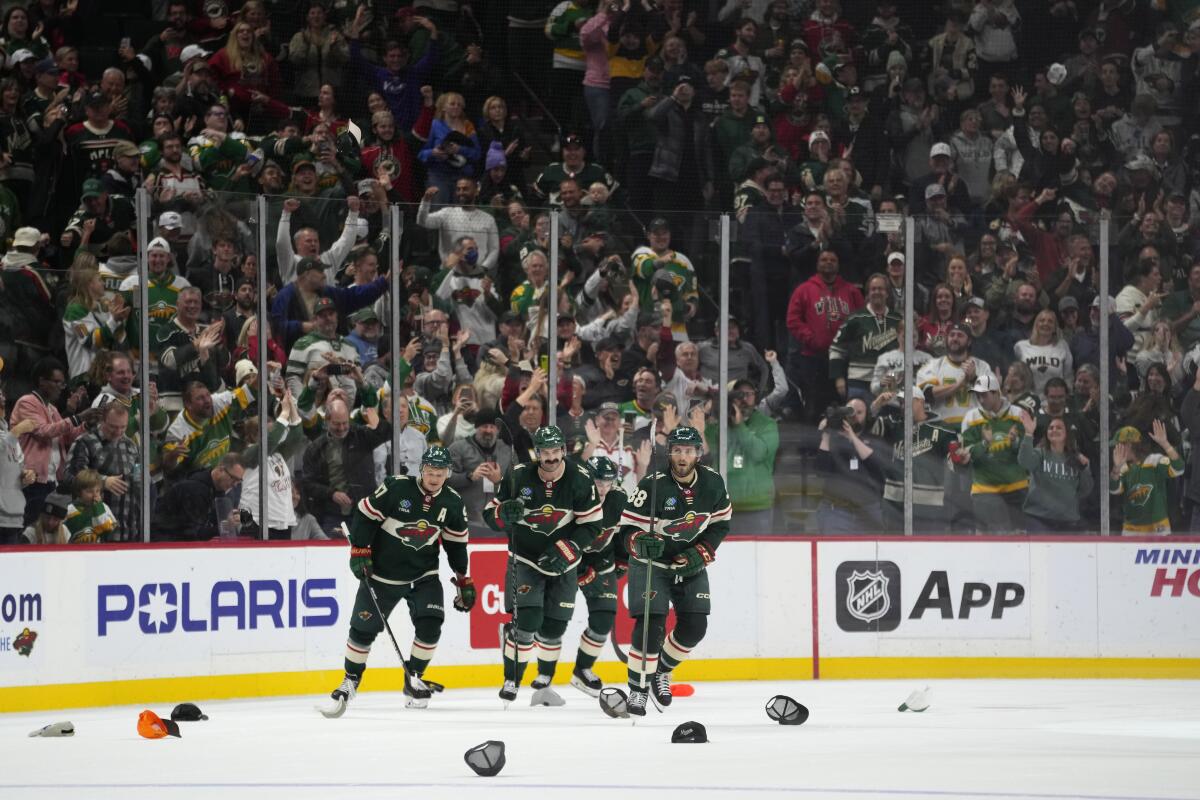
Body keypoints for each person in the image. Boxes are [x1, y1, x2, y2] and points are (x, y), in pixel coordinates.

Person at [326, 446, 472, 715]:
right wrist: (360, 549)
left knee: (431, 626)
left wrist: (463, 578)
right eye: (430, 471)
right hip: (383, 573)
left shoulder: (452, 502)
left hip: (423, 574)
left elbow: (456, 545)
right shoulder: (397, 488)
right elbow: (365, 515)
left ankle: (413, 677)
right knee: (362, 630)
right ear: (422, 470)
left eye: (440, 473)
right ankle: (350, 681)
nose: (434, 477)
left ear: (447, 473)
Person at [484, 426, 602, 705]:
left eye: (554, 452)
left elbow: (592, 524)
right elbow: (490, 516)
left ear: (562, 450)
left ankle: (538, 672)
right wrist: (503, 514)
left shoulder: (580, 479)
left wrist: (570, 546)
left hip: (563, 562)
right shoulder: (517, 476)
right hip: (525, 558)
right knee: (527, 622)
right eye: (544, 453)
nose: (550, 458)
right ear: (537, 453)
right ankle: (512, 678)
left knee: (553, 629)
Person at [618, 425, 730, 716]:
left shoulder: (714, 483)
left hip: (689, 563)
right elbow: (626, 530)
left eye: (689, 451)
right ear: (670, 453)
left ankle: (660, 671)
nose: (682, 457)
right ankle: (638, 689)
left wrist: (702, 551)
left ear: (698, 454)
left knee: (695, 627)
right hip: (651, 564)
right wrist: (640, 541)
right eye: (677, 451)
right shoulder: (652, 485)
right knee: (650, 625)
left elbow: (720, 524)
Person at [302, 397, 393, 536]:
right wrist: (331, 493)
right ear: (327, 420)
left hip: (363, 512)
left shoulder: (360, 435)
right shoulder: (315, 448)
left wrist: (378, 422)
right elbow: (308, 484)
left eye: (345, 423)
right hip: (332, 515)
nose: (342, 428)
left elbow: (388, 433)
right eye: (336, 424)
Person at [958, 374, 1029, 534]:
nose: (981, 400)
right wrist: (984, 444)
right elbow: (966, 456)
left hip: (1016, 487)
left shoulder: (1019, 414)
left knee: (1019, 540)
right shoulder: (971, 418)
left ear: (997, 392)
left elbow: (1029, 455)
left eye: (984, 395)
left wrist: (1016, 443)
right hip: (984, 490)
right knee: (988, 541)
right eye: (977, 396)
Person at [64, 402, 141, 541]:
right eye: (113, 426)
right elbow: (70, 477)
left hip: (128, 528)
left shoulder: (131, 446)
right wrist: (103, 482)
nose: (118, 432)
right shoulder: (84, 442)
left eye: (123, 427)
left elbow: (138, 481)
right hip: (91, 531)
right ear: (103, 420)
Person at [1017, 410, 1093, 533]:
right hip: (1038, 519)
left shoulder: (1076, 459)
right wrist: (1028, 433)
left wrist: (1085, 469)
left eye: (1059, 428)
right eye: (1051, 428)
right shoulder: (1040, 454)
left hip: (1068, 521)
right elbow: (1024, 461)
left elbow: (1085, 490)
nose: (1054, 430)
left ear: (1067, 433)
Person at [446, 409, 513, 537]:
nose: (488, 430)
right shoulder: (458, 448)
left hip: (498, 523)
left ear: (497, 430)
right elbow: (444, 479)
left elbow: (518, 485)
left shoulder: (507, 451)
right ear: (476, 427)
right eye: (484, 426)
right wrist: (469, 476)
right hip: (466, 523)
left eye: (492, 427)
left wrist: (499, 481)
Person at [1110, 422, 1184, 536]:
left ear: (1128, 445)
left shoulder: (1154, 461)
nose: (1115, 449)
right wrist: (1116, 469)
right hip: (1131, 530)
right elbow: (1114, 490)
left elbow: (1179, 468)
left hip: (1158, 528)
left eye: (1118, 445)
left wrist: (1165, 444)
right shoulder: (1123, 467)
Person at [151, 453, 245, 541]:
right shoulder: (195, 490)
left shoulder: (217, 488)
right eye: (233, 478)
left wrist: (228, 521)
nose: (235, 485)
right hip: (164, 543)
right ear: (220, 470)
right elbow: (193, 534)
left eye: (239, 481)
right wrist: (225, 526)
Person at [63, 469, 117, 544]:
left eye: (97, 491)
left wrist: (98, 509)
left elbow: (108, 530)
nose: (95, 495)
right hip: (74, 552)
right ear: (79, 492)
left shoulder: (104, 507)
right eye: (90, 491)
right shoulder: (69, 509)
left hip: (97, 551)